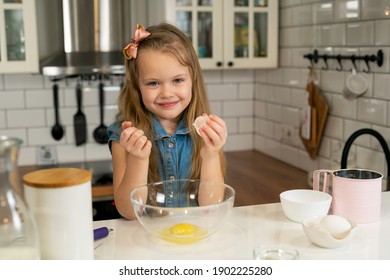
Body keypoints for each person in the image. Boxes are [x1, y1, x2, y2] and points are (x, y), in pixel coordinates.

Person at [107, 23, 227, 220]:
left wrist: (211, 155)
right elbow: (128, 212)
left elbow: (211, 206)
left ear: (192, 80)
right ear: (137, 87)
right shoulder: (124, 137)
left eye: (177, 80)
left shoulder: (206, 134)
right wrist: (138, 158)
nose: (167, 93)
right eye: (153, 83)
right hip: (146, 241)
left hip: (194, 238)